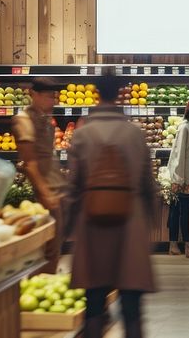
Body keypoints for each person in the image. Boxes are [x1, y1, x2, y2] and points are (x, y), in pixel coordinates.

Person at [66, 69, 156, 338]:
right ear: (119, 94)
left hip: (92, 225)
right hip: (131, 225)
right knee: (132, 306)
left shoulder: (81, 135)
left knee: (94, 302)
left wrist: (67, 227)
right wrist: (148, 222)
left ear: (96, 94)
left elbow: (73, 187)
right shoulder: (135, 134)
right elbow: (148, 184)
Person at [12, 77, 66, 274]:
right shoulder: (23, 121)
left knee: (55, 242)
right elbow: (30, 163)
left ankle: (48, 276)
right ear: (33, 94)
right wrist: (45, 193)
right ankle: (44, 278)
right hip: (41, 193)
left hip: (54, 188)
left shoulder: (44, 118)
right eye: (48, 96)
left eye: (54, 97)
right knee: (47, 245)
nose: (52, 101)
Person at [167, 100, 189, 257]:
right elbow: (179, 154)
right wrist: (178, 178)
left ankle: (173, 245)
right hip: (182, 177)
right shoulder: (184, 128)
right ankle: (187, 245)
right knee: (182, 211)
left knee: (177, 210)